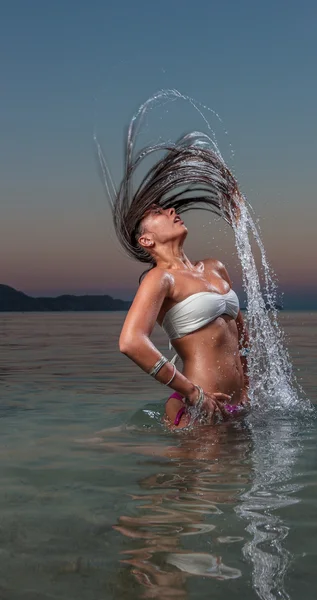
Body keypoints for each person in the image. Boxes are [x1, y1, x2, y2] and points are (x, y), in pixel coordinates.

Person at [103, 103, 250, 428]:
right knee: (198, 481)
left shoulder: (215, 267)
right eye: (158, 212)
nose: (171, 211)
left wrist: (249, 382)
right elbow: (130, 342)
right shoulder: (159, 280)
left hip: (238, 407)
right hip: (200, 410)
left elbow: (241, 332)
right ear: (146, 241)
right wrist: (192, 393)